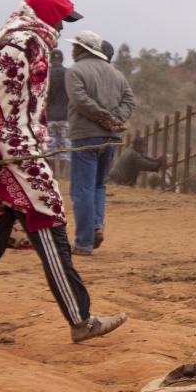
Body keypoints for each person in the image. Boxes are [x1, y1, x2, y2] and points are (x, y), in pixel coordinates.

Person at [0, 0, 127, 342]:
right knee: (48, 219)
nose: (63, 29)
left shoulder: (16, 39)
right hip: (14, 152)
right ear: (48, 14)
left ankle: (81, 317)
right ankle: (81, 319)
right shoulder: (24, 43)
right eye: (62, 20)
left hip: (8, 149)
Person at [66, 30, 135, 255]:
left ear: (82, 49)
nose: (72, 49)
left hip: (85, 137)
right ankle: (96, 226)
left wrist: (104, 119)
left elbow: (80, 101)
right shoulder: (116, 74)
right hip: (111, 138)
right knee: (99, 185)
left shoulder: (75, 71)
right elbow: (129, 100)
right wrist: (115, 120)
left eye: (75, 46)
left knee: (82, 188)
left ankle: (84, 242)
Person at [46, 49, 71, 178]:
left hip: (49, 116)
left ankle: (52, 174)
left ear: (50, 59)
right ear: (61, 59)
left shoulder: (46, 74)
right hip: (65, 116)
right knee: (64, 148)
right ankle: (62, 177)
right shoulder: (68, 73)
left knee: (49, 147)